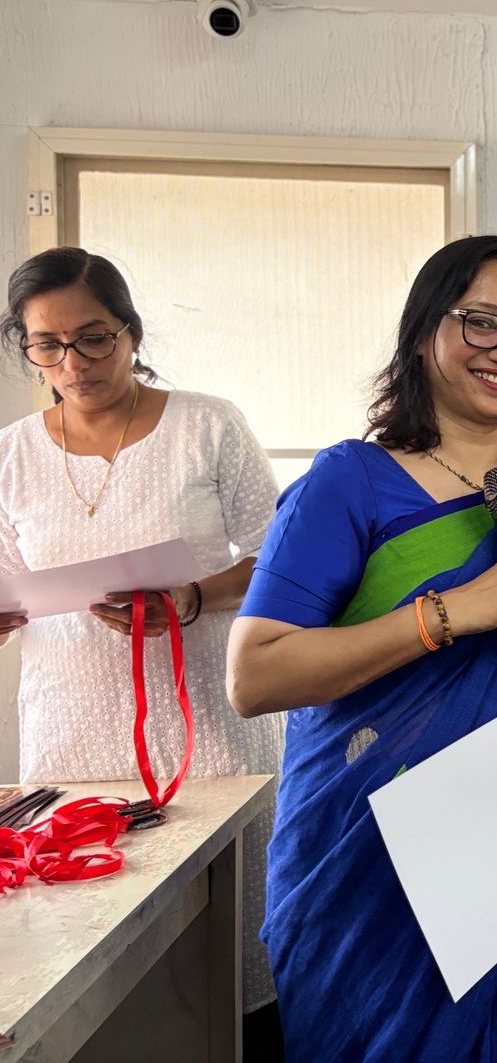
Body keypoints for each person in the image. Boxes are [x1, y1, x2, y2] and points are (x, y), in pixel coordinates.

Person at [226, 235, 497, 1062]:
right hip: (365, 867)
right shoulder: (350, 482)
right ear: (427, 329)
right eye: (482, 322)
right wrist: (450, 613)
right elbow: (254, 674)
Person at [0, 247, 283, 1026]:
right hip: (70, 736)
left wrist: (191, 599)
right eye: (48, 346)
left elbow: (282, 561)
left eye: (93, 338)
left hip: (211, 732)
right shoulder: (11, 455)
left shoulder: (207, 425)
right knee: (82, 956)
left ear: (130, 332)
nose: (73, 363)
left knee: (226, 948)